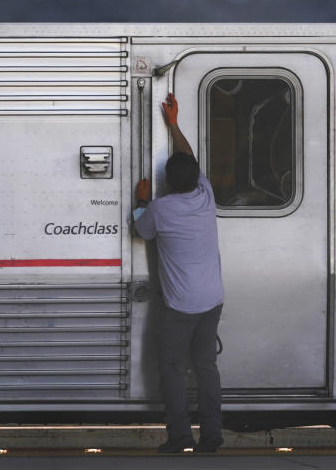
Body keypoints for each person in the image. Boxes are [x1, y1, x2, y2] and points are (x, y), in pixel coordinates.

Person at [133, 92, 225, 454]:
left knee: (171, 368)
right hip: (212, 299)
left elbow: (139, 232)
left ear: (167, 183)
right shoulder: (206, 195)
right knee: (206, 367)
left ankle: (180, 437)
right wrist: (174, 125)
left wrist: (141, 200)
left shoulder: (160, 209)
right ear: (196, 178)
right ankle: (213, 433)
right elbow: (190, 160)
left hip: (180, 306)